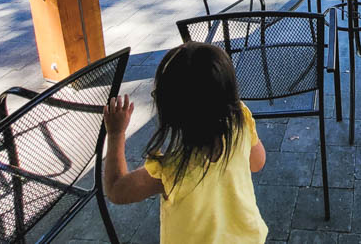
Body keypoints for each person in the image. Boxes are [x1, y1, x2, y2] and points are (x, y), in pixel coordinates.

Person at [102, 41, 268, 243]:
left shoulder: (172, 169)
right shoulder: (240, 121)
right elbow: (257, 162)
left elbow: (116, 189)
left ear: (171, 113)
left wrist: (116, 133)